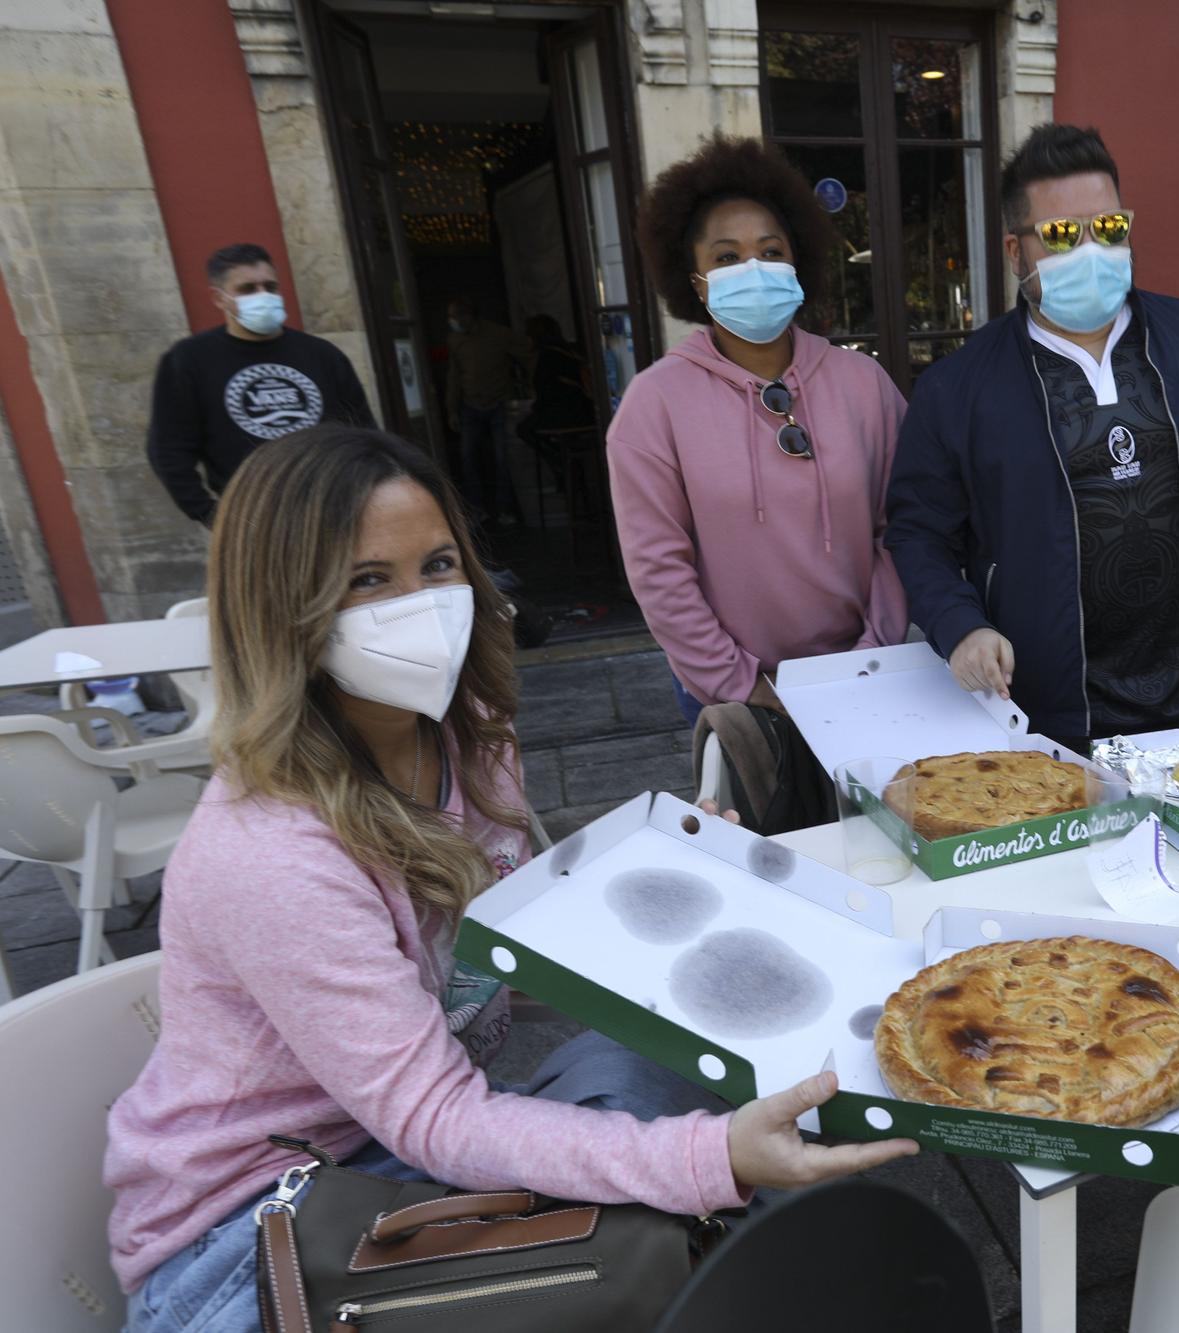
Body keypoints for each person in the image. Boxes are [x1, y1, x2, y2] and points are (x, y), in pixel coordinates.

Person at [104, 425, 916, 1330]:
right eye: (369, 579)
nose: (419, 605)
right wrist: (714, 1156)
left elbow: (509, 951)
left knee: (671, 1090)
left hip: (391, 1154)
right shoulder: (270, 851)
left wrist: (679, 892)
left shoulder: (465, 735)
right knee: (697, 1188)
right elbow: (439, 1120)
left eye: (438, 564)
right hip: (258, 1242)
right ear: (281, 605)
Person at [886, 124, 1179, 750]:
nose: (1092, 249)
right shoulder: (957, 390)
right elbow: (918, 531)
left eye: (1110, 227)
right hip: (1054, 716)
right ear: (1016, 253)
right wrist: (960, 627)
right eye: (1063, 234)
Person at [609, 135, 909, 727]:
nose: (754, 269)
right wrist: (744, 684)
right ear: (694, 280)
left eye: (771, 251)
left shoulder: (864, 383)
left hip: (871, 674)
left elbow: (903, 527)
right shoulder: (654, 404)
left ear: (799, 260)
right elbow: (659, 569)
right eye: (726, 257)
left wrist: (873, 655)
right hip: (733, 695)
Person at [145, 242, 375, 526]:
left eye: (270, 286)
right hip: (255, 520)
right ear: (219, 298)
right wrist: (211, 514)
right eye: (247, 289)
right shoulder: (189, 361)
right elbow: (168, 449)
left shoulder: (322, 355)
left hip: (335, 510)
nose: (262, 295)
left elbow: (365, 434)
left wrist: (367, 496)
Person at [445, 297, 534, 524]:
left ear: (468, 315)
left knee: (502, 458)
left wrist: (533, 388)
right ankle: (476, 509)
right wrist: (452, 409)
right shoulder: (455, 340)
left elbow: (528, 355)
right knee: (468, 459)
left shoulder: (499, 335)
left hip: (498, 404)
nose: (452, 322)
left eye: (454, 316)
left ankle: (505, 509)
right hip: (470, 406)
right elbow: (454, 377)